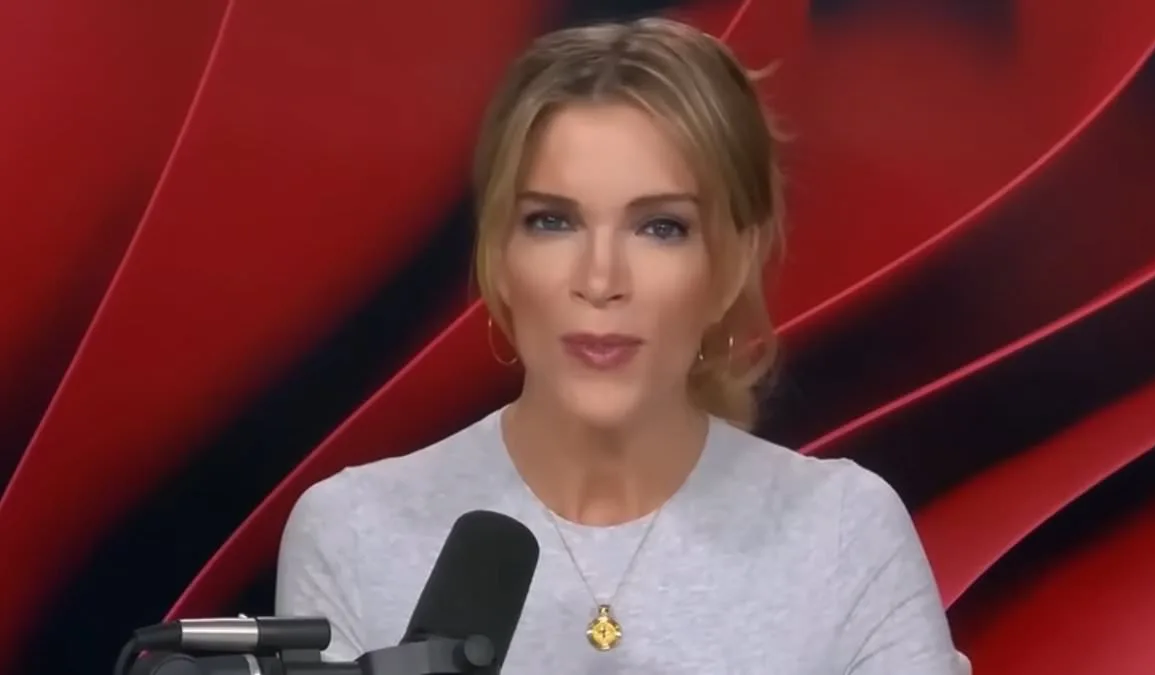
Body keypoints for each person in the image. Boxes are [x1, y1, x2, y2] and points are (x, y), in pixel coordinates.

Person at [276, 16, 963, 674]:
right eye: (552, 221)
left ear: (732, 263)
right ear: (499, 256)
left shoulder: (843, 533)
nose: (601, 280)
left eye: (660, 227)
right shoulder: (355, 534)